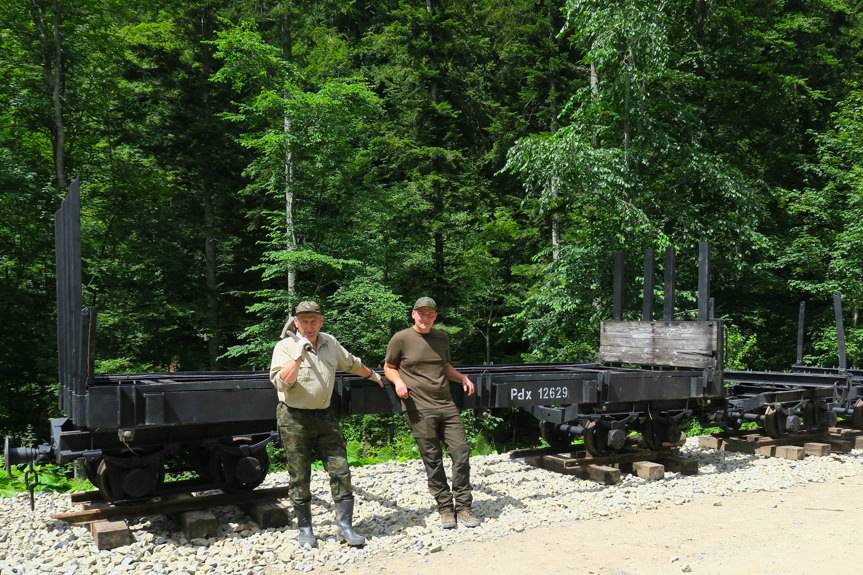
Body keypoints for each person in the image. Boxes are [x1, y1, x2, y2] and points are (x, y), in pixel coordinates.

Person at [269, 300, 383, 548]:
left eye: (313, 321)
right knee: (299, 474)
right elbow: (282, 383)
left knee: (340, 469)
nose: (309, 326)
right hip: (294, 417)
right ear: (296, 323)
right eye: (304, 321)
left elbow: (351, 363)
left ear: (321, 321)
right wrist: (299, 356)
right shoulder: (285, 347)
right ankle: (306, 529)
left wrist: (373, 375)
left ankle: (346, 527)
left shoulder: (329, 343)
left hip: (325, 415)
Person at [383, 297, 481, 529]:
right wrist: (398, 382)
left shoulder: (441, 338)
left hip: (446, 404)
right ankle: (445, 508)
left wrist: (462, 377)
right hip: (418, 407)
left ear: (435, 316)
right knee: (433, 459)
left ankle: (464, 507)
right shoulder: (401, 338)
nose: (425, 318)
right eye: (421, 313)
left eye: (430, 314)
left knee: (461, 452)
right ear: (413, 314)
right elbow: (389, 366)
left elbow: (443, 366)